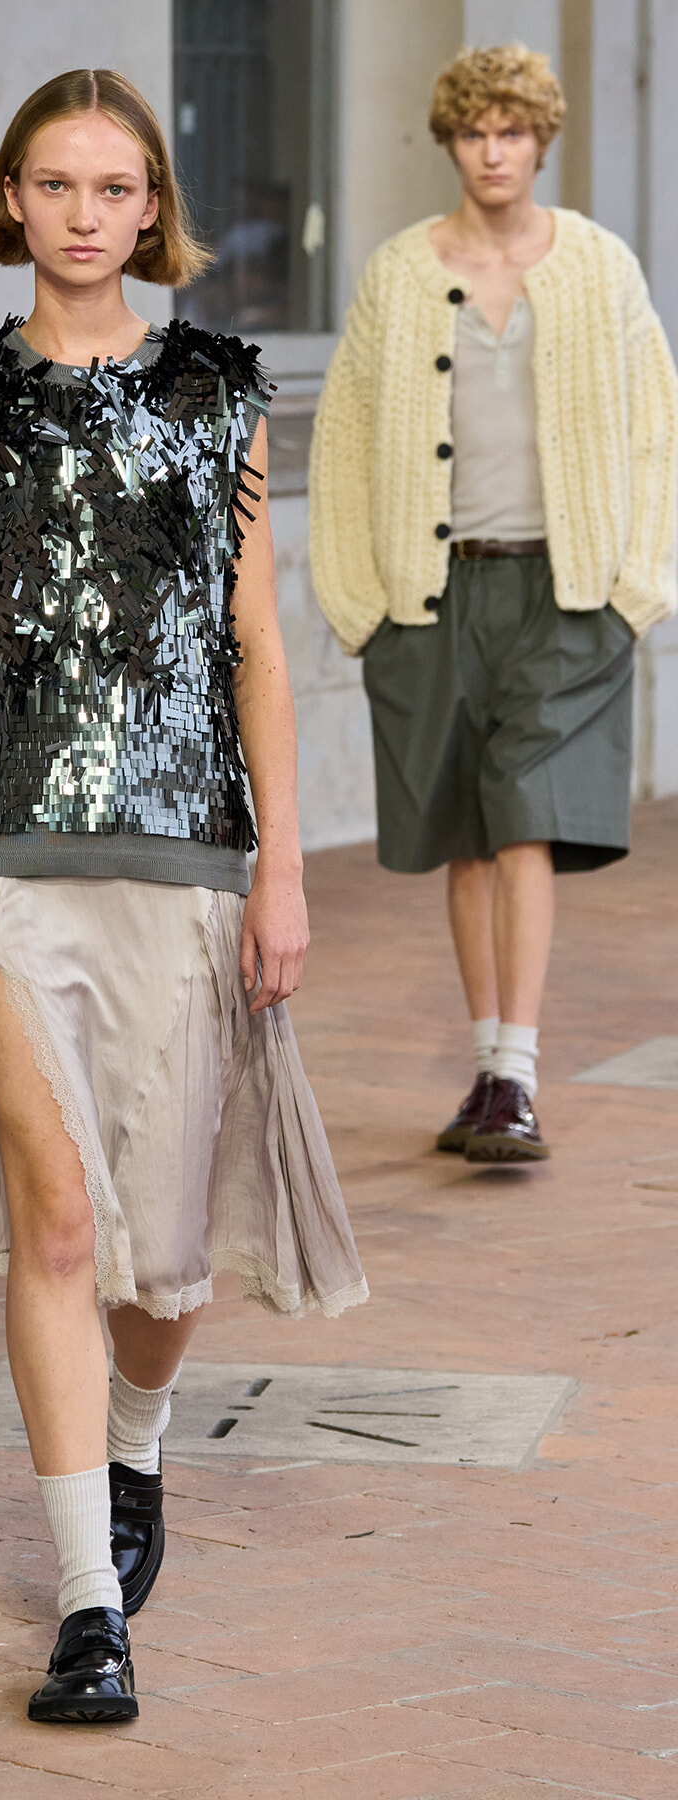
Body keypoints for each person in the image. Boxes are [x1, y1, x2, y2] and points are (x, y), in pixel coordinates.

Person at [0, 68, 366, 1724]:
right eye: (51, 184)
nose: (80, 212)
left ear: (151, 212)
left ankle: (137, 1449)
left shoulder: (219, 397)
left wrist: (284, 872)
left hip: (188, 847)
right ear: (13, 204)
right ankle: (85, 1611)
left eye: (111, 186)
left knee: (164, 1259)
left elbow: (260, 650)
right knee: (59, 1221)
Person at [309, 44, 677, 1164]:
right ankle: (487, 1066)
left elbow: (655, 426)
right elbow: (344, 437)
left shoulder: (601, 269)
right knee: (467, 832)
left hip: (565, 594)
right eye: (476, 133)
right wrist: (359, 601)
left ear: (540, 141)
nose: (495, 151)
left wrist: (634, 588)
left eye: (513, 132)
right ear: (452, 144)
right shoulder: (398, 274)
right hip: (434, 592)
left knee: (524, 816)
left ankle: (517, 1072)